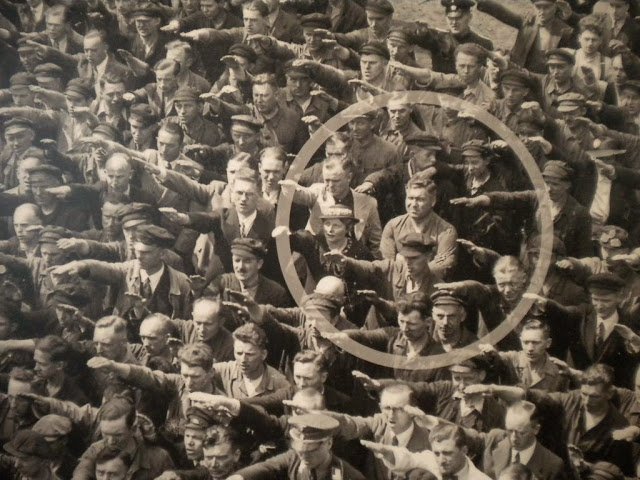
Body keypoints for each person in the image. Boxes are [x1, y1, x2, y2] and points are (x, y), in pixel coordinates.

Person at [227, 413, 366, 480]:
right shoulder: (294, 458)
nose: (304, 457)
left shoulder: (348, 475)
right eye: (300, 451)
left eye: (311, 451)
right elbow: (267, 467)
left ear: (328, 443)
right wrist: (239, 477)